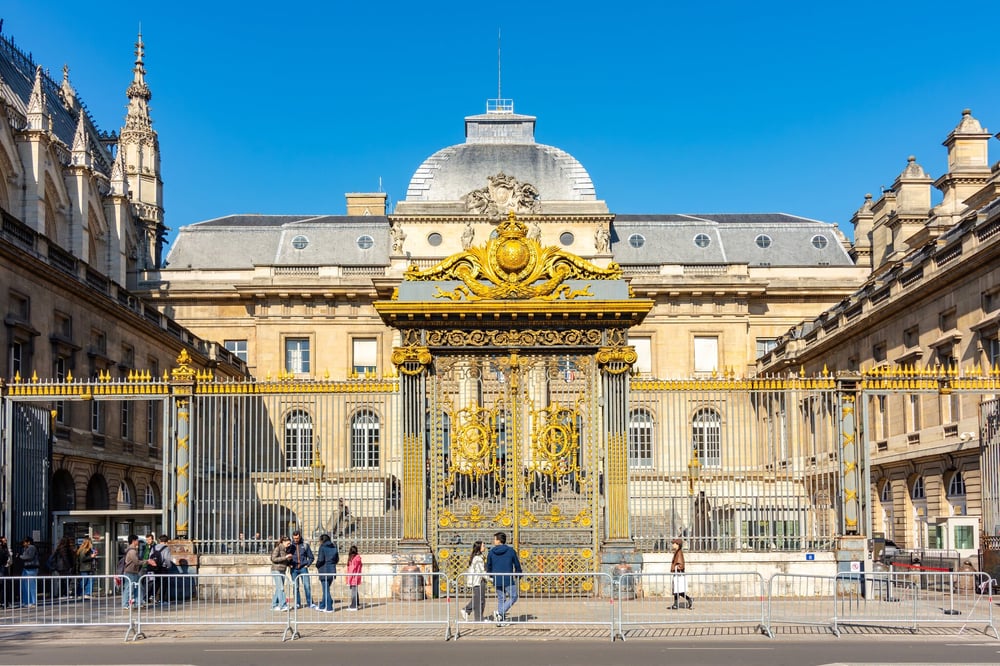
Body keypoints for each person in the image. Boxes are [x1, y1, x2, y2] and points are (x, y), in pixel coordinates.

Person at [485, 531, 522, 626]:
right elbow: (516, 563)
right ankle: (500, 613)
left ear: (498, 540)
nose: (493, 541)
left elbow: (488, 565)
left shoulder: (491, 552)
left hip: (497, 577)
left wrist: (490, 574)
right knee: (513, 596)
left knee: (501, 598)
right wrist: (518, 572)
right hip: (507, 578)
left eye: (494, 539)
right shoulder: (511, 551)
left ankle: (500, 620)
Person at [460, 540, 487, 622]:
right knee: (479, 599)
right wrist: (491, 578)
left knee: (479, 598)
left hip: (479, 580)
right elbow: (481, 571)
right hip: (478, 580)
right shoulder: (477, 558)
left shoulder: (479, 557)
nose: (484, 547)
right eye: (483, 545)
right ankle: (476, 616)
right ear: (479, 547)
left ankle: (469, 611)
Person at [289, 530, 316, 609]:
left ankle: (310, 603)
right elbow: (287, 556)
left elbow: (311, 557)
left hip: (303, 568)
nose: (296, 540)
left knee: (307, 586)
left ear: (300, 536)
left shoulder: (305, 545)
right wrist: (289, 564)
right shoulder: (290, 546)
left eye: (297, 538)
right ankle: (297, 603)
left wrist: (307, 564)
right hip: (294, 569)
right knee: (295, 587)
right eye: (294, 538)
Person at [314, 534, 339, 612]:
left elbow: (321, 559)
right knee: (326, 589)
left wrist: (317, 565)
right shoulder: (334, 547)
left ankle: (329, 607)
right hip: (332, 570)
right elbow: (337, 559)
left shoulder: (322, 547)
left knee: (326, 590)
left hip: (324, 570)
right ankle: (322, 605)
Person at [269, 535, 293, 611]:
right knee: (281, 588)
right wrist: (285, 557)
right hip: (276, 570)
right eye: (288, 543)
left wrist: (288, 561)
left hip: (282, 570)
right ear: (283, 542)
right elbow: (273, 559)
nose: (289, 545)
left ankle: (274, 605)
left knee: (279, 588)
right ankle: (283, 605)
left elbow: (283, 560)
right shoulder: (278, 548)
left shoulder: (285, 550)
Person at [149, 534, 173, 604]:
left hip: (155, 568)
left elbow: (150, 557)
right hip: (163, 568)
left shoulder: (154, 547)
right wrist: (169, 566)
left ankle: (152, 595)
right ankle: (162, 600)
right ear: (167, 541)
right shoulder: (166, 548)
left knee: (156, 582)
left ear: (159, 540)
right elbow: (167, 559)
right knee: (164, 584)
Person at [669, 538, 693, 610]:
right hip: (677, 573)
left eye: (674, 544)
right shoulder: (677, 552)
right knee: (677, 590)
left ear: (678, 545)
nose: (673, 545)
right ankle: (676, 604)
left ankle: (688, 599)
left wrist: (676, 568)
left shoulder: (679, 553)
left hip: (678, 573)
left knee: (678, 589)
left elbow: (681, 564)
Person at [17, 536, 39, 607]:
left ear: (28, 542)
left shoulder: (32, 547)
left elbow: (29, 557)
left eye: (24, 542)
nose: (23, 544)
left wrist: (20, 556)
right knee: (25, 586)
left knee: (31, 585)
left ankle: (32, 601)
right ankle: (26, 601)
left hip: (31, 568)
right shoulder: (25, 548)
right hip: (26, 568)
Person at [121, 535, 141, 609]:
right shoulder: (132, 551)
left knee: (136, 588)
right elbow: (136, 561)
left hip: (133, 571)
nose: (138, 542)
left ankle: (137, 602)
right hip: (130, 572)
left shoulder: (132, 550)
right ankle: (125, 604)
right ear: (133, 541)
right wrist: (147, 561)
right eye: (137, 540)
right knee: (128, 588)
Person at [345, 545, 362, 610]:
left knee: (353, 592)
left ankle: (354, 605)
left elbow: (352, 569)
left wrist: (349, 579)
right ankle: (356, 604)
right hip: (356, 576)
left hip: (353, 577)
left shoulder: (353, 559)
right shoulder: (358, 558)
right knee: (355, 591)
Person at [0, 535, 10, 609]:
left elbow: (7, 558)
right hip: (2, 568)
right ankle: (3, 602)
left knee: (4, 585)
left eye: (5, 541)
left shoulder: (5, 549)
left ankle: (5, 602)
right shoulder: (3, 550)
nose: (5, 542)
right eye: (4, 541)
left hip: (4, 568)